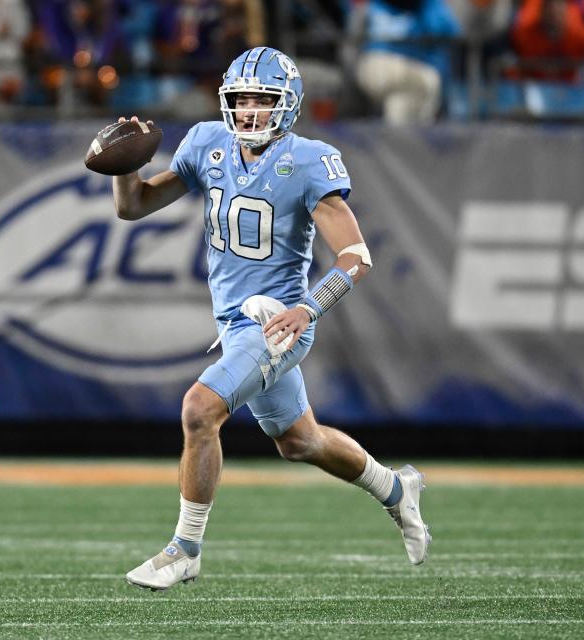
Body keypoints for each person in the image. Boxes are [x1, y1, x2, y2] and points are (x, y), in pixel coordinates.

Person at [112, 46, 431, 591]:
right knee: (299, 441)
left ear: (288, 106)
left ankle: (184, 549)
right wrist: (126, 168)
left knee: (199, 410)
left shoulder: (308, 160)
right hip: (234, 325)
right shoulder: (207, 144)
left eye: (263, 99)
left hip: (276, 322)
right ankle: (396, 489)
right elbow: (134, 205)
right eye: (241, 99)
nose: (250, 111)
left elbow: (357, 256)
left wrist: (309, 307)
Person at [509, 0, 584, 82]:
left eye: (558, 10)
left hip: (572, 82)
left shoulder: (577, 31)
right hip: (536, 81)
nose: (554, 14)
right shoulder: (525, 31)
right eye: (550, 9)